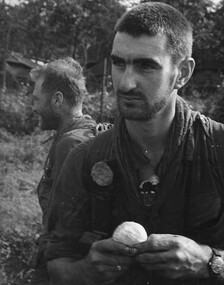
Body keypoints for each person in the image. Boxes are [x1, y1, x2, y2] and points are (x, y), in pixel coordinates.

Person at [45, 3, 224, 285]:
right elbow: (54, 263)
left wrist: (210, 263)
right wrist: (85, 271)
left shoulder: (218, 149)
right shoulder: (84, 159)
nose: (126, 83)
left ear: (183, 73)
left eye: (145, 66)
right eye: (119, 63)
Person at [29, 57, 97, 285]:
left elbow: (65, 226)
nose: (34, 107)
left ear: (57, 99)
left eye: (37, 100)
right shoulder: (77, 136)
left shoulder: (72, 144)